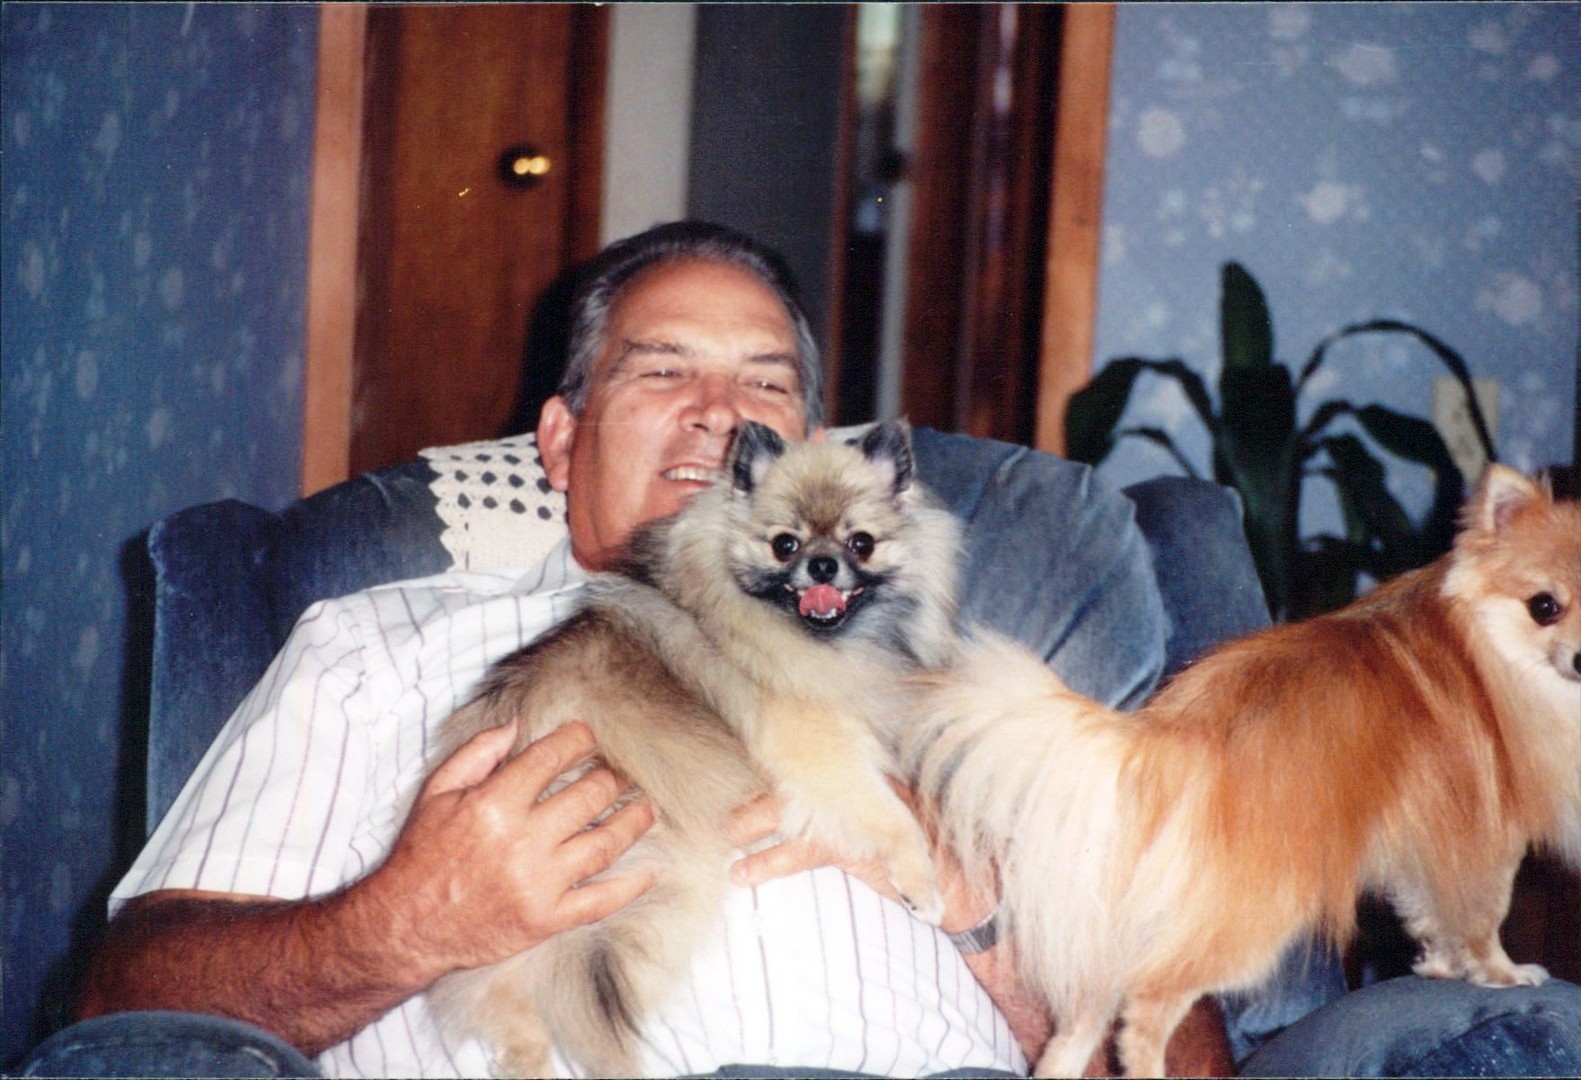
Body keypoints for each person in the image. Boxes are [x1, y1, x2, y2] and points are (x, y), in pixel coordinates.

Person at [31, 222, 1581, 1079]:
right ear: (558, 443)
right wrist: (407, 918)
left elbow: (1180, 1063)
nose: (726, 420)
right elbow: (122, 1010)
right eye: (663, 373)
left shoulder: (971, 701)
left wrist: (984, 912)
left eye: (767, 388)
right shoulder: (378, 643)